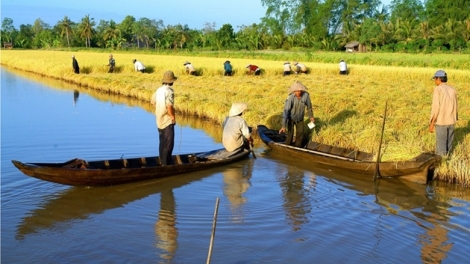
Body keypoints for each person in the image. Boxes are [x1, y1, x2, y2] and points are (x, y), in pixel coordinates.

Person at [429, 70, 458, 156]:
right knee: (449, 145)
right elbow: (456, 105)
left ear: (439, 79)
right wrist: (455, 118)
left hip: (441, 122)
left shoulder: (438, 89)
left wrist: (432, 123)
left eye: (435, 79)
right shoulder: (452, 89)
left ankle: (441, 164)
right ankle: (447, 162)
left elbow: (436, 108)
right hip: (451, 121)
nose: (434, 81)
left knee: (441, 146)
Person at [151, 71, 178, 165]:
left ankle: (162, 162)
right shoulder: (169, 91)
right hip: (167, 121)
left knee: (162, 142)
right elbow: (169, 106)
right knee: (168, 144)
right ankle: (166, 165)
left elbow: (153, 101)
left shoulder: (159, 90)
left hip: (159, 120)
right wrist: (173, 117)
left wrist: (159, 109)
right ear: (172, 81)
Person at [279, 81, 315, 147]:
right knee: (290, 133)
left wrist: (311, 117)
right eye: (296, 91)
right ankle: (287, 146)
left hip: (300, 118)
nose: (298, 92)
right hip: (291, 118)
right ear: (294, 91)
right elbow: (286, 111)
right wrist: (283, 126)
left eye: (300, 91)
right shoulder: (290, 97)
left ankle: (298, 147)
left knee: (300, 133)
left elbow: (309, 107)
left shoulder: (306, 95)